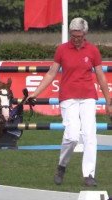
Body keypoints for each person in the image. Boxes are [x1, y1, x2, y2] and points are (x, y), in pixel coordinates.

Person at [27, 17, 112, 186]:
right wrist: (35, 93)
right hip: (68, 98)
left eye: (79, 35)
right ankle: (62, 165)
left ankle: (89, 174)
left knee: (90, 136)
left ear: (85, 33)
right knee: (72, 136)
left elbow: (101, 76)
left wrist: (108, 101)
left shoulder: (93, 51)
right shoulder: (62, 50)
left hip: (88, 97)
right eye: (73, 35)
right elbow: (51, 73)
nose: (76, 38)